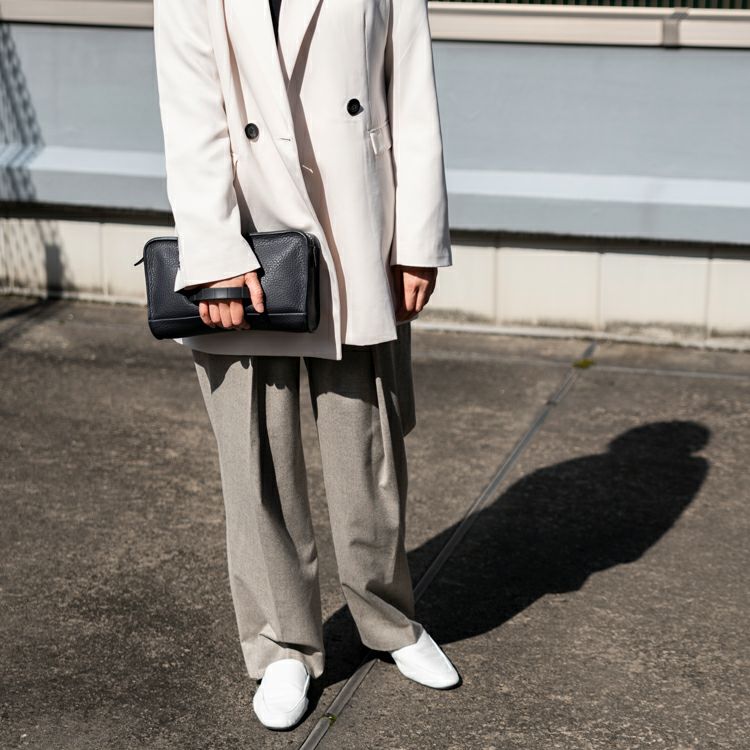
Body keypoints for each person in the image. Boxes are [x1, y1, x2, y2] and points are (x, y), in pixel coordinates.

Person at [152, 0, 459, 730]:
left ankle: (389, 619)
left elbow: (410, 90)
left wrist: (416, 237)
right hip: (246, 237)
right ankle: (282, 646)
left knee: (369, 445)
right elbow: (190, 111)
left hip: (357, 222)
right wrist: (214, 254)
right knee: (254, 459)